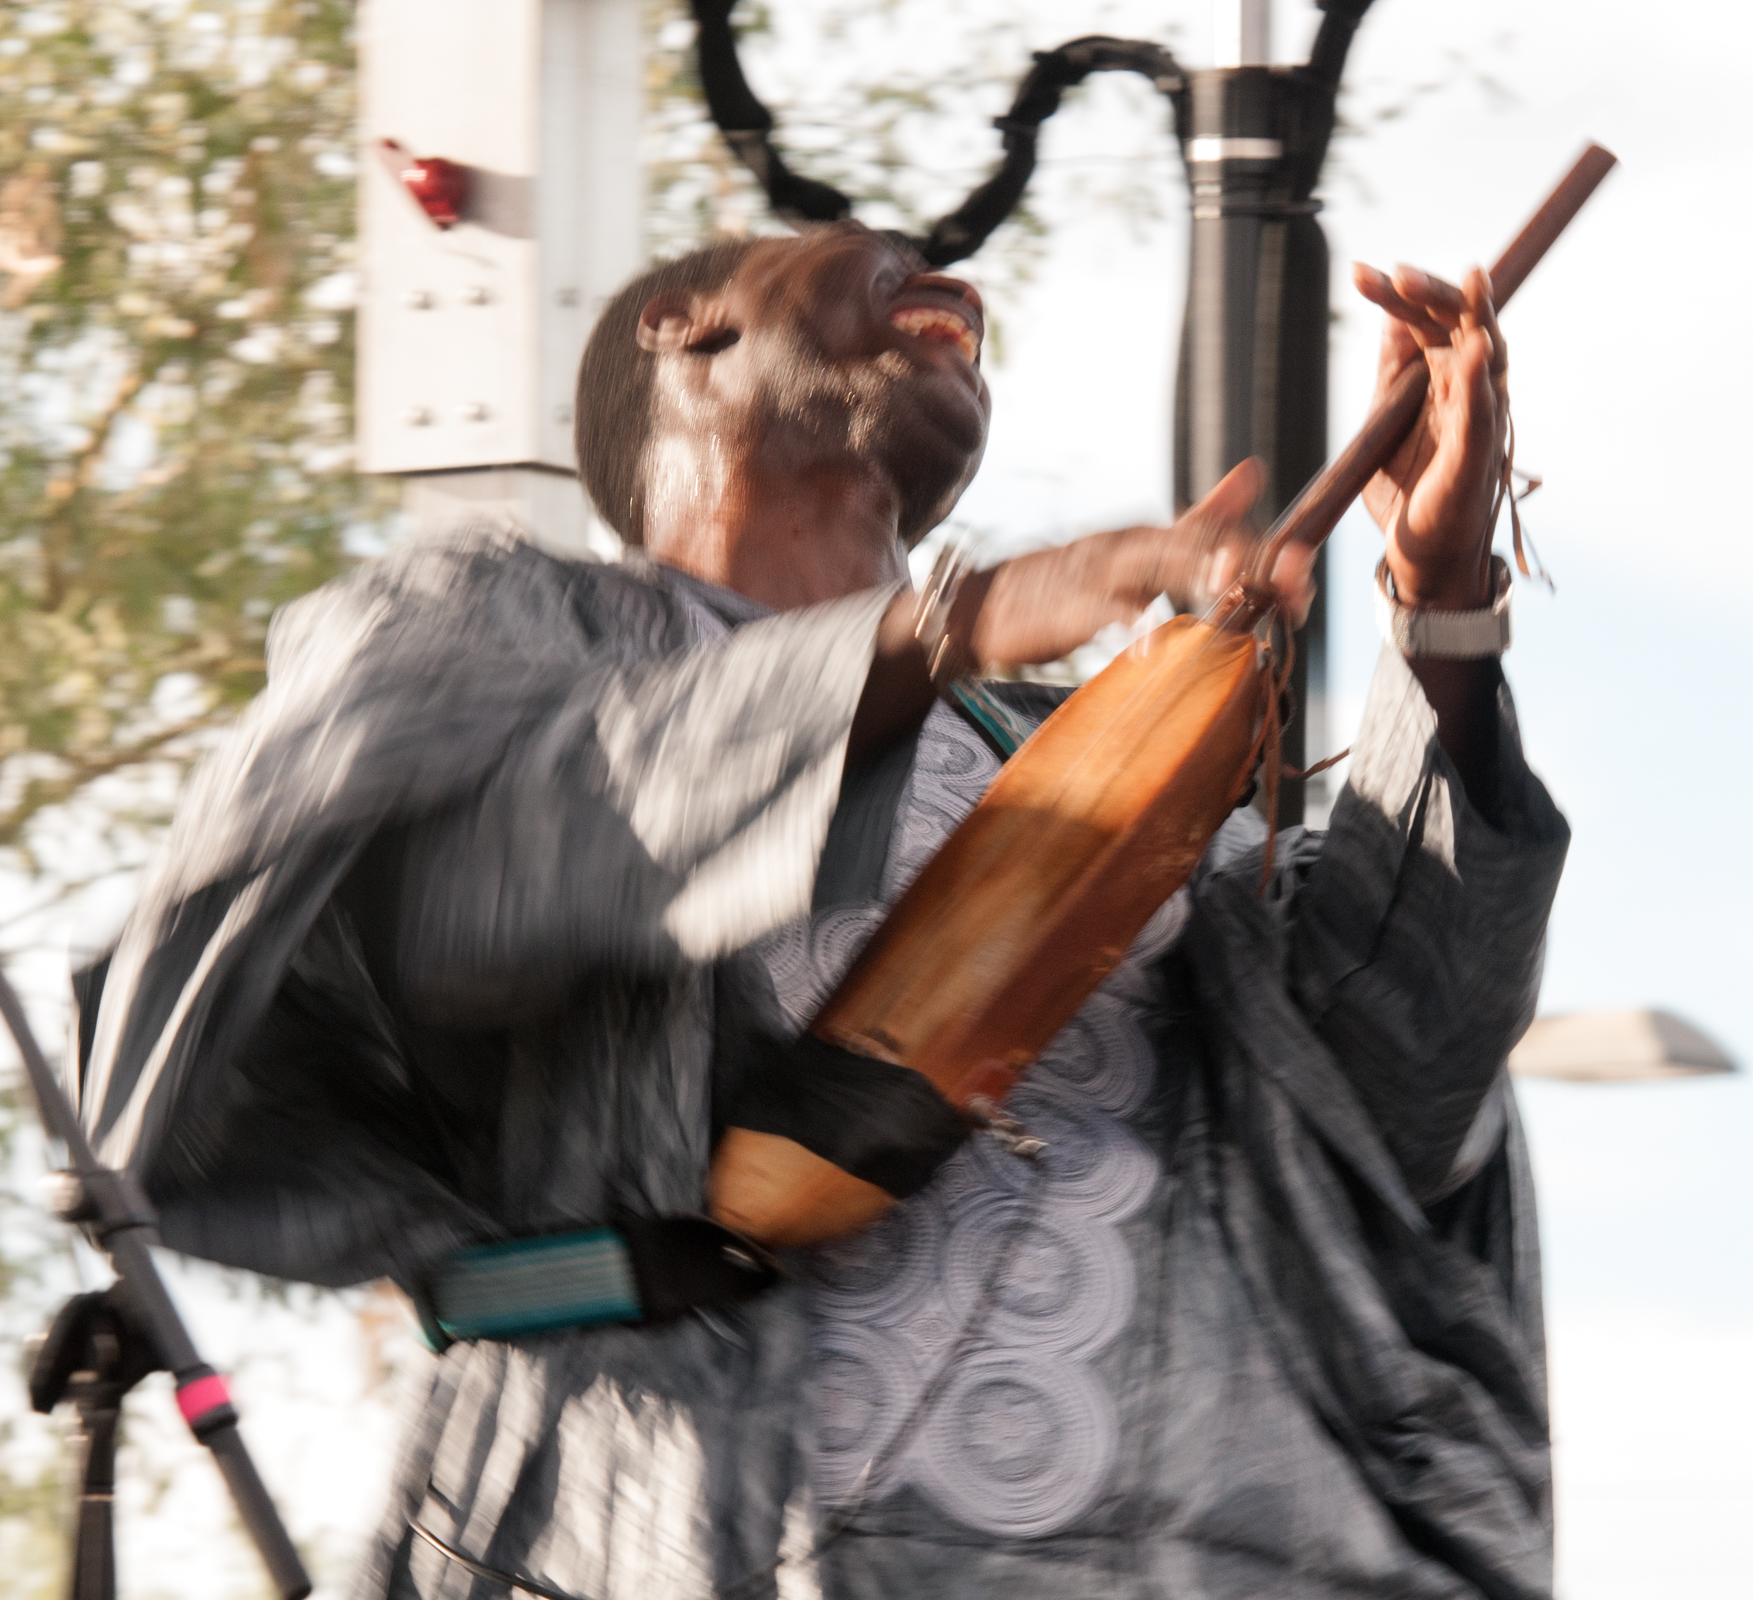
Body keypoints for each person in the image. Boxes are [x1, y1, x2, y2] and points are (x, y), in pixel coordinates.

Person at [78, 221, 1566, 1600]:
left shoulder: (1076, 759)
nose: (946, 282)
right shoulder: (492, 636)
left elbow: (1397, 1085)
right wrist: (952, 622)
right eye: (878, 261)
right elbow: (468, 888)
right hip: (695, 1533)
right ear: (688, 328)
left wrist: (1439, 622)